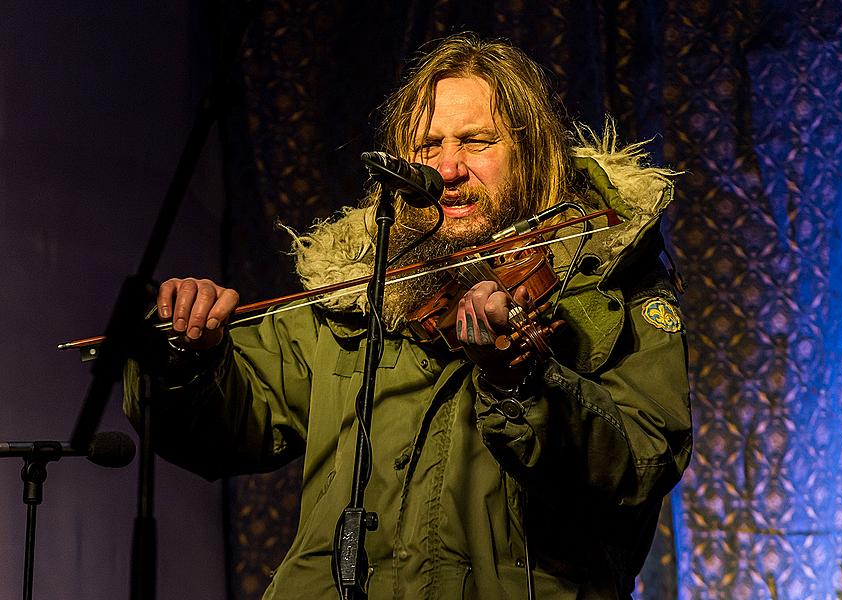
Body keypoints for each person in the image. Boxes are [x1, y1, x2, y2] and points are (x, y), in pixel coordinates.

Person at [125, 33, 692, 599]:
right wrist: (190, 357)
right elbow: (229, 430)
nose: (449, 168)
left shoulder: (606, 278)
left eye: (476, 141)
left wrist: (524, 381)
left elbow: (641, 463)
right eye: (428, 147)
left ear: (531, 153)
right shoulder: (357, 292)